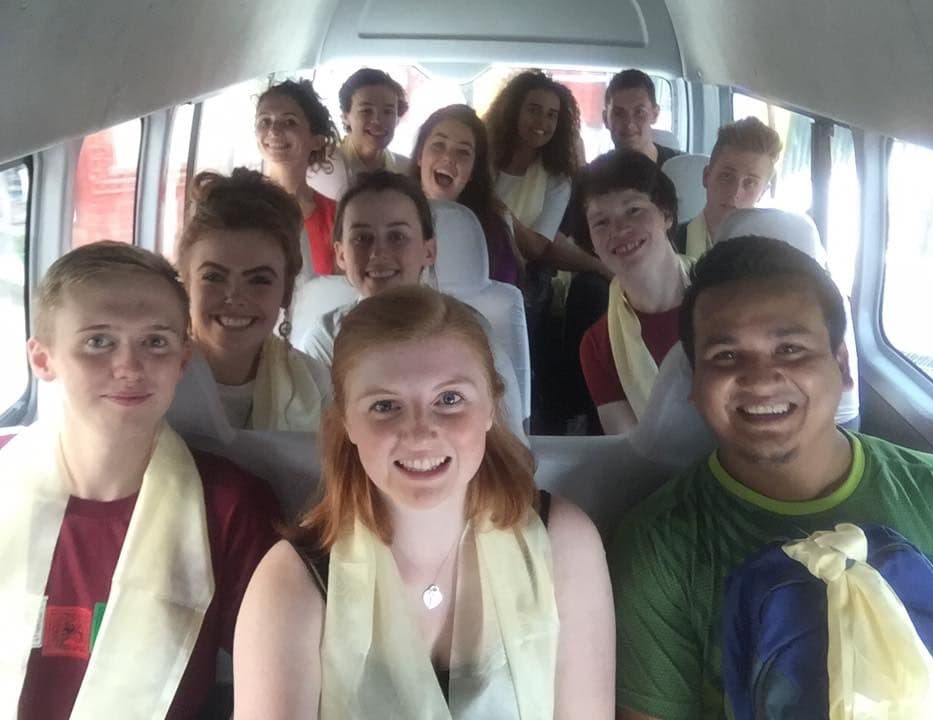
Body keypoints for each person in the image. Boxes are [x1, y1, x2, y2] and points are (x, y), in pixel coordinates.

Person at [611, 236, 933, 720]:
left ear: (842, 367)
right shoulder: (656, 550)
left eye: (791, 348)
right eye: (726, 356)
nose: (760, 379)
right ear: (694, 383)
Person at [233, 285, 615, 719]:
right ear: (347, 423)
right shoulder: (289, 584)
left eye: (449, 399)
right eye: (385, 406)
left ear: (491, 406)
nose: (419, 433)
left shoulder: (564, 544)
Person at [5, 241, 279, 719]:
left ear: (182, 361)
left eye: (155, 342)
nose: (129, 368)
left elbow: (277, 675)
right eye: (98, 342)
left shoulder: (229, 509)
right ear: (43, 360)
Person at [297, 170, 526, 438]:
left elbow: (509, 439)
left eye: (397, 237)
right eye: (361, 238)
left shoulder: (469, 331)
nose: (378, 253)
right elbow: (316, 444)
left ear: (429, 251)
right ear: (341, 255)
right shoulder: (325, 339)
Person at [168, 168, 330, 435]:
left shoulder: (313, 383)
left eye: (259, 280)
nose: (235, 296)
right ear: (185, 285)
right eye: (214, 277)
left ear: (286, 291)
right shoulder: (152, 379)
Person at [577, 150, 688, 435]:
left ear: (666, 214)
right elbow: (631, 450)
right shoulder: (598, 345)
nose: (619, 230)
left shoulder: (729, 298)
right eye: (601, 222)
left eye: (633, 210)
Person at [484, 70, 612, 279]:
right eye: (533, 110)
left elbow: (537, 247)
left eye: (551, 115)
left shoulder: (557, 178)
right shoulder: (482, 157)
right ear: (513, 111)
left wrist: (499, 210)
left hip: (517, 274)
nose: (541, 122)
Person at [410, 104, 524, 286]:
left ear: (473, 171)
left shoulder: (493, 232)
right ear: (419, 156)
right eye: (438, 145)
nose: (448, 158)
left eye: (463, 152)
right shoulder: (390, 218)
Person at [256, 80, 340, 277]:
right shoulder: (237, 206)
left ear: (317, 141)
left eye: (289, 122)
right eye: (265, 121)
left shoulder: (336, 216)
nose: (274, 131)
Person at [674, 116, 782, 258]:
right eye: (726, 176)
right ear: (706, 177)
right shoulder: (667, 245)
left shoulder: (769, 259)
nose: (735, 193)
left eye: (750, 182)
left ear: (762, 192)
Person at [309, 68, 410, 200]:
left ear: (397, 118)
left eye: (388, 111)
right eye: (366, 111)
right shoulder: (324, 165)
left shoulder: (405, 169)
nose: (378, 120)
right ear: (346, 117)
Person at [603, 69, 681, 168]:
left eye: (639, 112)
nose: (629, 124)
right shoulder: (594, 174)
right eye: (619, 113)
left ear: (655, 115)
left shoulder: (686, 170)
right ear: (605, 119)